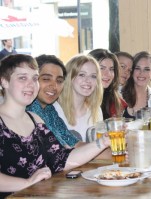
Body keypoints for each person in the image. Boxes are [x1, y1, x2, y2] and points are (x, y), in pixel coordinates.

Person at [0, 54, 110, 198]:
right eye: (22, 78)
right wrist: (27, 183)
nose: (31, 84)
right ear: (4, 81)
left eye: (34, 78)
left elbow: (61, 159)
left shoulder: (36, 120)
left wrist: (103, 142)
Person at [26, 54, 83, 148]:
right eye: (46, 79)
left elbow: (74, 143)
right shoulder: (27, 111)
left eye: (59, 81)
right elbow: (61, 154)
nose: (54, 86)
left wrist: (111, 148)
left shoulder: (49, 109)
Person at [53, 54, 103, 142]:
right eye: (82, 75)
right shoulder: (54, 110)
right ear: (69, 77)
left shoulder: (96, 110)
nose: (88, 80)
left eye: (93, 76)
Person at [122, 51, 151, 119]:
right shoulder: (118, 94)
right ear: (132, 70)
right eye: (137, 68)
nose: (141, 73)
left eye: (147, 69)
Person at [89, 49, 127, 120]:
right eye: (101, 68)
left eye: (111, 69)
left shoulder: (115, 101)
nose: (108, 74)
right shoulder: (80, 99)